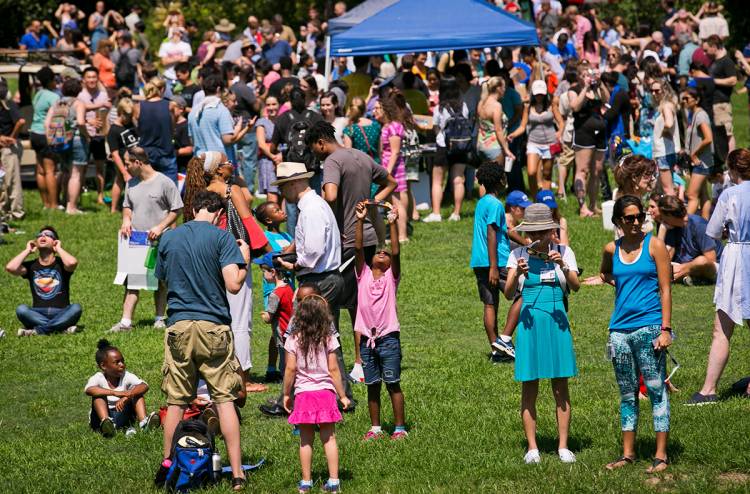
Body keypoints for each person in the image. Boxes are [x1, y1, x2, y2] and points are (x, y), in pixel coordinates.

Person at [153, 190, 250, 490]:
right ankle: (236, 474)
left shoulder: (169, 238)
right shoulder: (222, 238)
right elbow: (233, 285)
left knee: (176, 402)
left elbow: (164, 277)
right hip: (213, 328)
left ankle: (168, 464)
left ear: (193, 210)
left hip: (179, 326)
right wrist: (244, 258)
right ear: (219, 214)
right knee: (224, 402)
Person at [308, 120, 397, 358]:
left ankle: (352, 359)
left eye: (313, 148)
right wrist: (372, 202)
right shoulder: (362, 156)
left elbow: (331, 195)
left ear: (320, 142)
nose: (314, 154)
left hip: (346, 241)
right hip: (367, 238)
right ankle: (364, 356)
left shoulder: (331, 162)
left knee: (336, 302)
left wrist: (315, 202)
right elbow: (392, 182)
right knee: (360, 302)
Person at [183, 151, 270, 393]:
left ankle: (213, 369)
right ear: (218, 170)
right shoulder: (231, 191)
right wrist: (265, 249)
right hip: (234, 255)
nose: (231, 164)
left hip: (210, 258)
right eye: (226, 162)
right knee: (241, 320)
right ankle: (243, 379)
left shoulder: (200, 194)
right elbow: (248, 220)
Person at [599, 195, 673, 473]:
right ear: (617, 221)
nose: (635, 222)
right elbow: (605, 272)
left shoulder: (655, 246)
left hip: (650, 328)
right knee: (627, 393)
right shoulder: (611, 248)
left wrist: (666, 329)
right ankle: (628, 454)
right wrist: (620, 287)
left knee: (656, 390)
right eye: (629, 218)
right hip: (618, 331)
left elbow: (666, 289)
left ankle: (661, 455)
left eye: (639, 216)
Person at [504, 203, 580, 464]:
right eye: (532, 234)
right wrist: (517, 275)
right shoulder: (518, 255)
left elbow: (576, 287)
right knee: (529, 386)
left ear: (551, 230)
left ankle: (563, 446)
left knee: (561, 386)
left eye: (542, 233)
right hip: (529, 324)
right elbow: (508, 293)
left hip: (556, 322)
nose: (537, 239)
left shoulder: (563, 251)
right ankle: (533, 448)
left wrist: (565, 267)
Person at [688, 148, 750, 404]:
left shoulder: (730, 194)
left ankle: (709, 389)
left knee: (722, 328)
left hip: (738, 257)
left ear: (733, 170)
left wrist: (728, 230)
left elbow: (712, 231)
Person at [109, 147, 182, 333]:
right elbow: (127, 206)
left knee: (161, 281)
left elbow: (176, 209)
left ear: (138, 162)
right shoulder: (131, 183)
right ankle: (126, 322)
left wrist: (159, 227)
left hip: (161, 239)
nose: (125, 168)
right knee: (132, 280)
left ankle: (159, 318)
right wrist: (126, 219)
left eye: (127, 164)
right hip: (136, 241)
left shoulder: (164, 182)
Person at [282, 296, 350, 494]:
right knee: (329, 438)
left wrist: (286, 393)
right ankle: (334, 481)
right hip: (326, 393)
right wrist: (343, 395)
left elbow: (290, 369)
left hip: (304, 394)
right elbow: (334, 369)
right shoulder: (329, 338)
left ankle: (306, 482)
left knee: (305, 440)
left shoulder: (293, 339)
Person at [354, 201, 407, 440]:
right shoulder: (362, 274)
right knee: (372, 385)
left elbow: (396, 252)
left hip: (388, 340)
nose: (382, 252)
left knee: (393, 383)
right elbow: (357, 249)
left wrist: (392, 224)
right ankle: (375, 428)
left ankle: (399, 428)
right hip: (366, 341)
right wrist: (360, 220)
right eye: (378, 251)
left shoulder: (391, 278)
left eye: (385, 252)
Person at [470, 163, 516, 357]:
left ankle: (496, 349)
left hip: (479, 261)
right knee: (524, 291)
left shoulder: (482, 202)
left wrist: (526, 242)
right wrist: (495, 267)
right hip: (497, 261)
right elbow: (491, 234)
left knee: (490, 304)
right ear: (499, 181)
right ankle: (505, 338)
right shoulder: (496, 205)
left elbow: (503, 232)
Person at [5, 226, 81, 336]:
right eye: (39, 235)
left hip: (62, 312)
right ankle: (61, 329)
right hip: (37, 313)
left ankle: (38, 331)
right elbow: (10, 268)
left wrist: (58, 248)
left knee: (76, 308)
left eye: (48, 235)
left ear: (55, 242)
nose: (43, 236)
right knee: (21, 309)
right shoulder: (31, 266)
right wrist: (27, 251)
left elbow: (72, 263)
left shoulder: (61, 264)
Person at [85, 339, 160, 437]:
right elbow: (89, 390)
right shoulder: (98, 377)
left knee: (137, 394)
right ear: (103, 366)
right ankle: (107, 425)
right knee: (98, 396)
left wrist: (127, 396)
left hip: (122, 414)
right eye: (117, 362)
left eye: (122, 361)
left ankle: (144, 423)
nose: (122, 365)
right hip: (99, 420)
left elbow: (144, 386)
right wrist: (116, 393)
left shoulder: (126, 376)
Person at [254, 201, 294, 381]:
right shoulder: (264, 237)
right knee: (277, 330)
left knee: (287, 327)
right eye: (277, 211)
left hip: (290, 288)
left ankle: (284, 365)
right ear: (269, 220)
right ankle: (274, 368)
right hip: (274, 289)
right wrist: (283, 255)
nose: (282, 211)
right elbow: (263, 262)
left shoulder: (286, 235)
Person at [424, 76, 471, 223]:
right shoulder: (464, 106)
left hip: (443, 146)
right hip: (461, 146)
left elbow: (436, 127)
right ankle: (456, 213)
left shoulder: (440, 108)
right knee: (458, 180)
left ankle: (436, 213)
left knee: (438, 181)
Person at [513, 80, 563, 196]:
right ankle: (535, 197)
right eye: (537, 94)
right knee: (531, 172)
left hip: (550, 143)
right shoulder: (528, 106)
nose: (539, 97)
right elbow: (522, 126)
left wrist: (560, 132)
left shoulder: (551, 105)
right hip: (533, 143)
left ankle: (546, 199)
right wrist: (513, 135)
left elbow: (560, 122)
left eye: (541, 94)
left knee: (547, 174)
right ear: (533, 94)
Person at [45, 78, 88, 215]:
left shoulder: (57, 103)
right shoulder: (78, 103)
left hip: (60, 141)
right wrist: (87, 135)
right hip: (76, 140)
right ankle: (72, 207)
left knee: (65, 171)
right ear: (78, 90)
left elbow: (47, 123)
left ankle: (64, 201)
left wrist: (50, 138)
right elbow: (81, 122)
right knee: (76, 174)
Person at [658, 194, 723, 284]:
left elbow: (710, 260)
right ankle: (692, 278)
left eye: (662, 215)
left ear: (669, 215)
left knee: (701, 261)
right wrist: (662, 229)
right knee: (661, 265)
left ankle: (682, 275)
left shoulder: (699, 225)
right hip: (683, 265)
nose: (661, 218)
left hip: (711, 268)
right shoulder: (671, 226)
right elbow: (665, 258)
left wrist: (684, 268)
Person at [372, 96, 408, 240]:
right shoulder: (386, 126)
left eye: (377, 108)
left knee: (397, 202)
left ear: (385, 109)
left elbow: (395, 152)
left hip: (393, 170)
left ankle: (403, 236)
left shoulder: (394, 126)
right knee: (392, 202)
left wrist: (387, 172)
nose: (374, 111)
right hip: (387, 168)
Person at [257, 254, 294, 383]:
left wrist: (263, 315)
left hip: (282, 333)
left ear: (273, 272)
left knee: (285, 366)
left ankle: (287, 393)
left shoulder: (275, 294)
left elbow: (268, 318)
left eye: (263, 272)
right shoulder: (289, 288)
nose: (263, 276)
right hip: (292, 332)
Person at [77, 66, 112, 206]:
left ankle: (100, 195)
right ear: (84, 79)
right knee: (82, 168)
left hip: (99, 136)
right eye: (89, 77)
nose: (91, 80)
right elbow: (77, 115)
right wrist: (88, 121)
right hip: (84, 135)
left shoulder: (103, 95)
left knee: (100, 167)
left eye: (94, 77)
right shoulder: (80, 96)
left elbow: (108, 114)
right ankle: (79, 195)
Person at [29, 66, 60, 210]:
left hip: (34, 133)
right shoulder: (53, 97)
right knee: (50, 170)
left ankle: (45, 203)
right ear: (51, 81)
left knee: (40, 169)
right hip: (45, 134)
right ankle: (54, 204)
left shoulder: (38, 94)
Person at [136, 78, 178, 183]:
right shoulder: (170, 105)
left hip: (146, 153)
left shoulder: (138, 107)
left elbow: (138, 130)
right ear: (162, 89)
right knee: (171, 191)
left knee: (147, 189)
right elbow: (172, 128)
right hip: (166, 151)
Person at [681, 87, 714, 217]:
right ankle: (706, 225)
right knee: (703, 194)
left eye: (687, 98)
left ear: (697, 99)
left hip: (701, 162)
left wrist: (694, 154)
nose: (684, 101)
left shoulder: (701, 115)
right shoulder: (695, 114)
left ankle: (683, 226)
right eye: (683, 98)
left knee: (691, 195)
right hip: (700, 161)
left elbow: (708, 138)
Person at [107, 97, 139, 213]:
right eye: (127, 116)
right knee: (119, 180)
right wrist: (124, 172)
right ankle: (113, 208)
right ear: (120, 113)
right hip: (123, 161)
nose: (129, 118)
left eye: (131, 116)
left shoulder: (130, 123)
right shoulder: (114, 130)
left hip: (135, 159)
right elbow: (114, 154)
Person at [476, 76, 514, 169]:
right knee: (495, 178)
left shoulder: (481, 102)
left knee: (485, 178)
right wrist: (506, 149)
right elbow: (498, 129)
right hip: (494, 147)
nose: (505, 90)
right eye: (504, 87)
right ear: (498, 88)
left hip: (481, 145)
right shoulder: (496, 106)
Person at [650, 79, 680, 196]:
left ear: (664, 91)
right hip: (669, 150)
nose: (653, 94)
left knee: (668, 190)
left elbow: (669, 123)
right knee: (669, 186)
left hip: (664, 152)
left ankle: (673, 213)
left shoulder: (666, 106)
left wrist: (664, 131)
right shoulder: (668, 105)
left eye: (657, 91)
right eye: (652, 91)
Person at [0, 78, 24, 222]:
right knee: (4, 181)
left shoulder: (9, 104)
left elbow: (21, 121)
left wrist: (11, 137)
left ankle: (16, 212)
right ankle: (5, 210)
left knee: (12, 180)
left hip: (9, 149)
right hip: (4, 146)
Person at [256, 96, 283, 203]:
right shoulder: (262, 122)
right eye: (268, 105)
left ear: (279, 105)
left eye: (274, 104)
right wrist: (274, 157)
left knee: (284, 193)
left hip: (282, 159)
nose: (271, 107)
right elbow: (261, 144)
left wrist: (281, 157)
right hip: (268, 160)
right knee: (272, 194)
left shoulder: (282, 120)